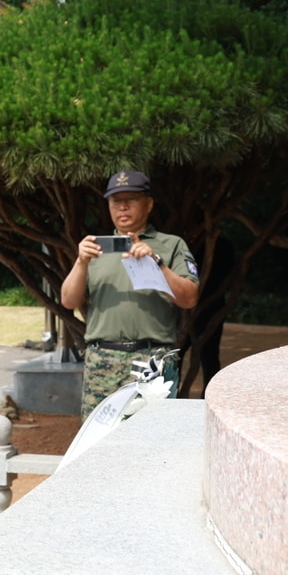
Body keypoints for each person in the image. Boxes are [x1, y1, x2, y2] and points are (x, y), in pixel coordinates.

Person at [60, 170, 199, 415]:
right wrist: (81, 262)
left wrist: (157, 263)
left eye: (131, 199)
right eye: (116, 200)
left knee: (150, 433)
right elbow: (69, 300)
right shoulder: (95, 249)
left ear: (149, 204)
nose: (123, 207)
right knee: (100, 435)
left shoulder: (171, 245)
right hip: (102, 361)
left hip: (152, 360)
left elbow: (189, 298)